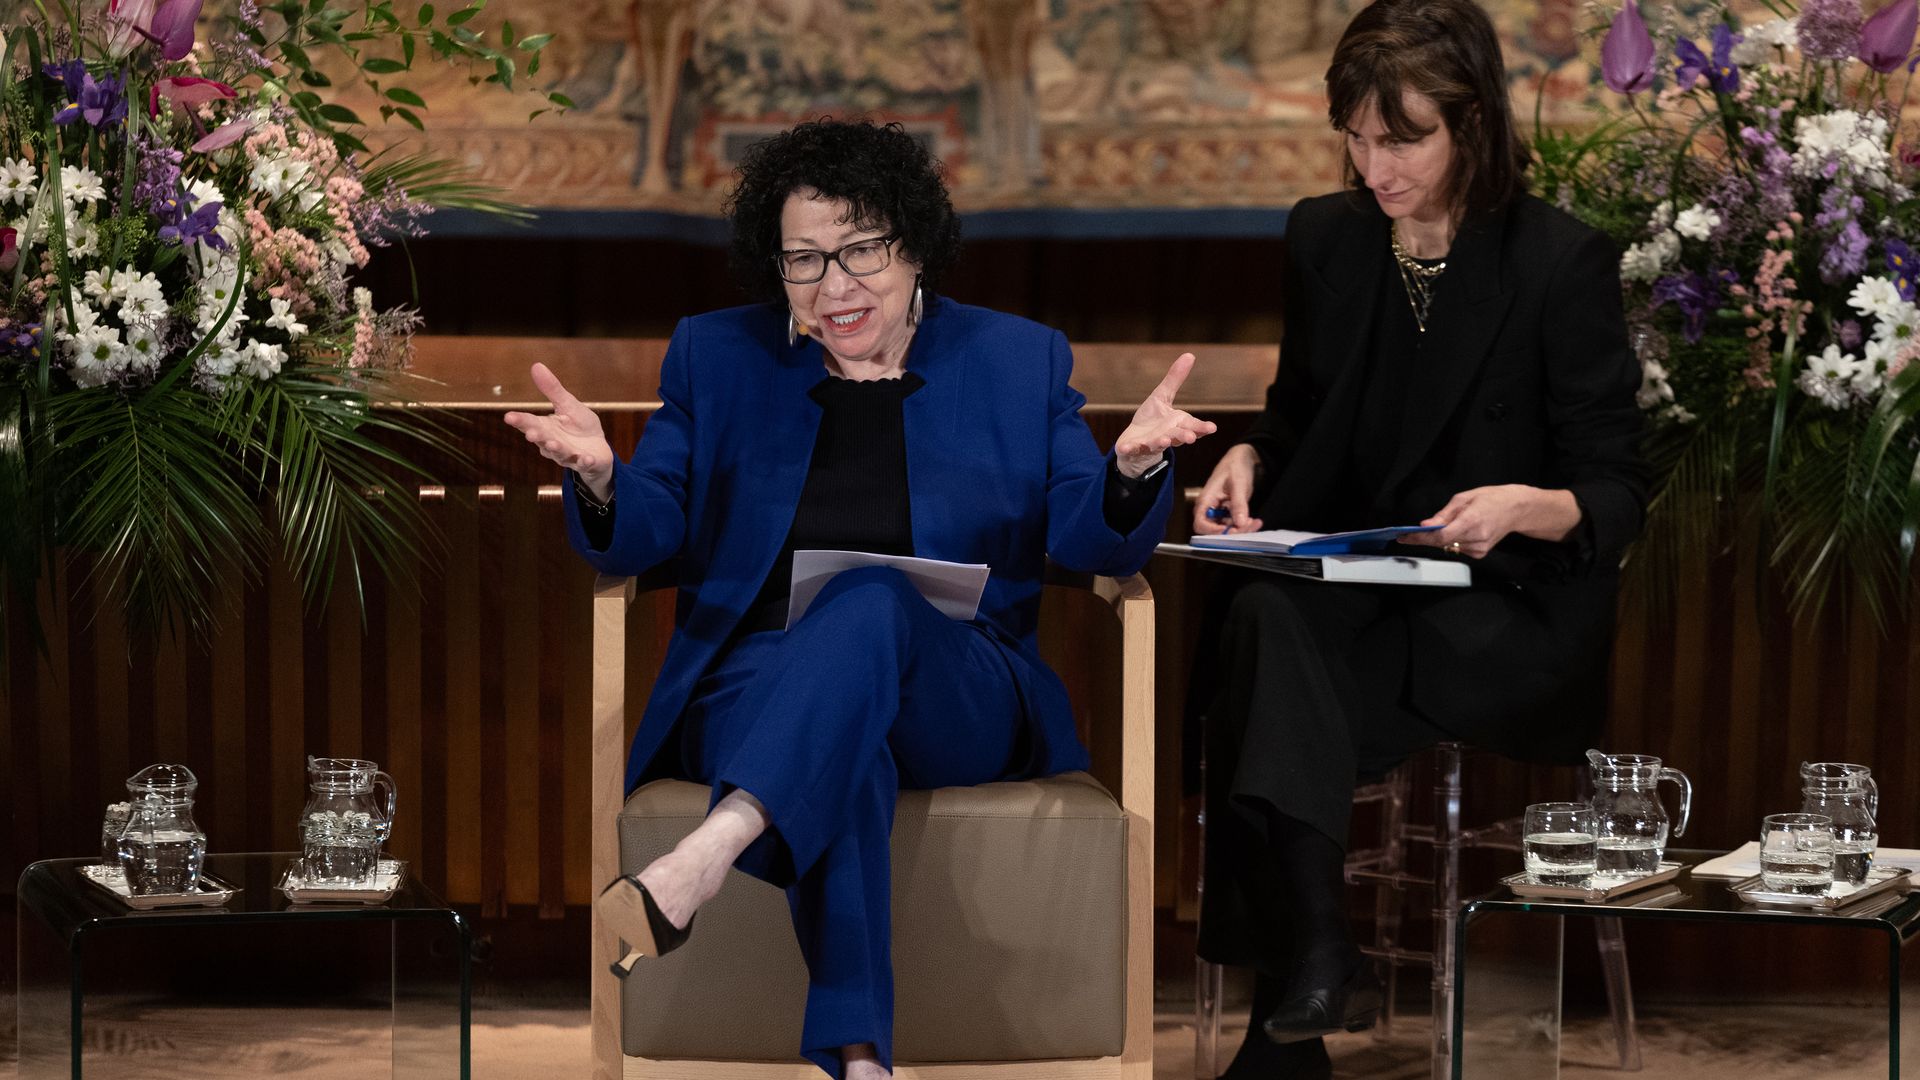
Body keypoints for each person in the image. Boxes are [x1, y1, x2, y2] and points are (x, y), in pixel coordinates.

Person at [504, 118, 1215, 1080]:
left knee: (873, 600)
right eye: (803, 260)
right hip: (755, 686)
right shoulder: (717, 358)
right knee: (848, 751)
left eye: (861, 251)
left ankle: (712, 850)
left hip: (959, 690)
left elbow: (1085, 536)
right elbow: (651, 528)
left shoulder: (1017, 359)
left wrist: (1128, 471)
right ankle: (861, 1060)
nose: (834, 287)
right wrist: (598, 478)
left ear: (915, 245)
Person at [1186, 0, 1649, 1076]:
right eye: (1355, 136)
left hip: (1502, 605)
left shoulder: (1556, 261)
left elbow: (1617, 486)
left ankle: (1287, 1014)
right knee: (1260, 614)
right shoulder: (1326, 237)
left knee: (1270, 663)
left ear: (1473, 125)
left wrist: (1520, 505)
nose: (1374, 165)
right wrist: (1252, 455)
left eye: (1404, 139)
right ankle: (1316, 955)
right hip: (1360, 583)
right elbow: (1303, 410)